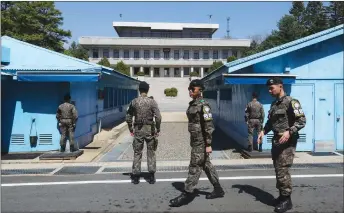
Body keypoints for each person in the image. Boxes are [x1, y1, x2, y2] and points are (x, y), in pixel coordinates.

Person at [169, 79, 225, 207]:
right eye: (189, 88)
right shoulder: (193, 104)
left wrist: (209, 144)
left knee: (194, 166)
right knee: (206, 165)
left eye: (192, 89)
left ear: (200, 90)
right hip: (195, 140)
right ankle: (218, 189)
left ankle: (187, 193)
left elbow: (209, 126)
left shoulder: (203, 105)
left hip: (201, 141)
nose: (190, 91)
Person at [257, 77, 306, 213]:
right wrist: (263, 131)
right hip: (276, 141)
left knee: (283, 170)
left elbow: (302, 120)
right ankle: (281, 196)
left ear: (280, 86)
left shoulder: (292, 102)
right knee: (278, 169)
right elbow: (270, 123)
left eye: (271, 88)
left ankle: (287, 200)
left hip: (287, 142)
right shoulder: (274, 104)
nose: (269, 90)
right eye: (268, 88)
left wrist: (289, 132)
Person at [126, 81, 162, 184]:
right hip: (150, 129)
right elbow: (158, 117)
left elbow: (128, 117)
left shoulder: (134, 101)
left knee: (137, 152)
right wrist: (158, 129)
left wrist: (131, 129)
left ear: (139, 90)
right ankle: (151, 176)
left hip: (138, 129)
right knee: (151, 152)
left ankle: (136, 176)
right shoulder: (152, 102)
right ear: (147, 90)